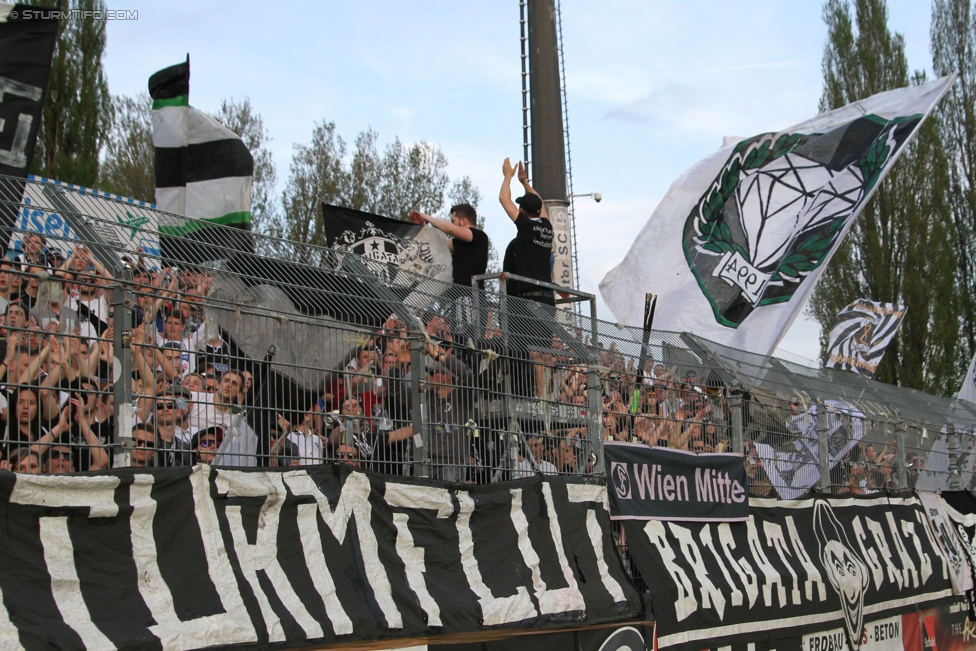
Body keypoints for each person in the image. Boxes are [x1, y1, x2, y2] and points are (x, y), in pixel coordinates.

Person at [498, 158, 553, 304]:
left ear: (521, 210)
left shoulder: (526, 226)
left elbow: (504, 198)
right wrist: (524, 182)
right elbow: (539, 202)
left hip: (528, 299)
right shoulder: (547, 226)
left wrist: (508, 176)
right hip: (547, 299)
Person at [409, 203, 490, 288]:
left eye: (453, 221)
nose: (452, 224)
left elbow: (450, 229)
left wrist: (426, 217)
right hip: (456, 292)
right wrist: (424, 225)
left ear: (464, 221)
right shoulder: (459, 242)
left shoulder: (479, 236)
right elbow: (438, 243)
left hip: (472, 294)